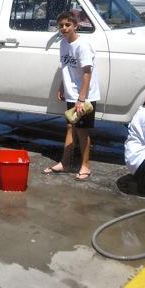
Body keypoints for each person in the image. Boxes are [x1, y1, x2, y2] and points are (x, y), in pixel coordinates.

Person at [43, 11, 100, 181]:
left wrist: (81, 99)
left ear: (76, 25)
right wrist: (62, 85)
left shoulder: (82, 45)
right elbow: (65, 67)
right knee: (70, 127)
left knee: (82, 131)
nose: (64, 28)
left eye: (67, 25)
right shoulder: (63, 44)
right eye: (61, 26)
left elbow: (87, 73)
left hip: (85, 96)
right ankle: (64, 162)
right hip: (71, 94)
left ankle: (85, 166)